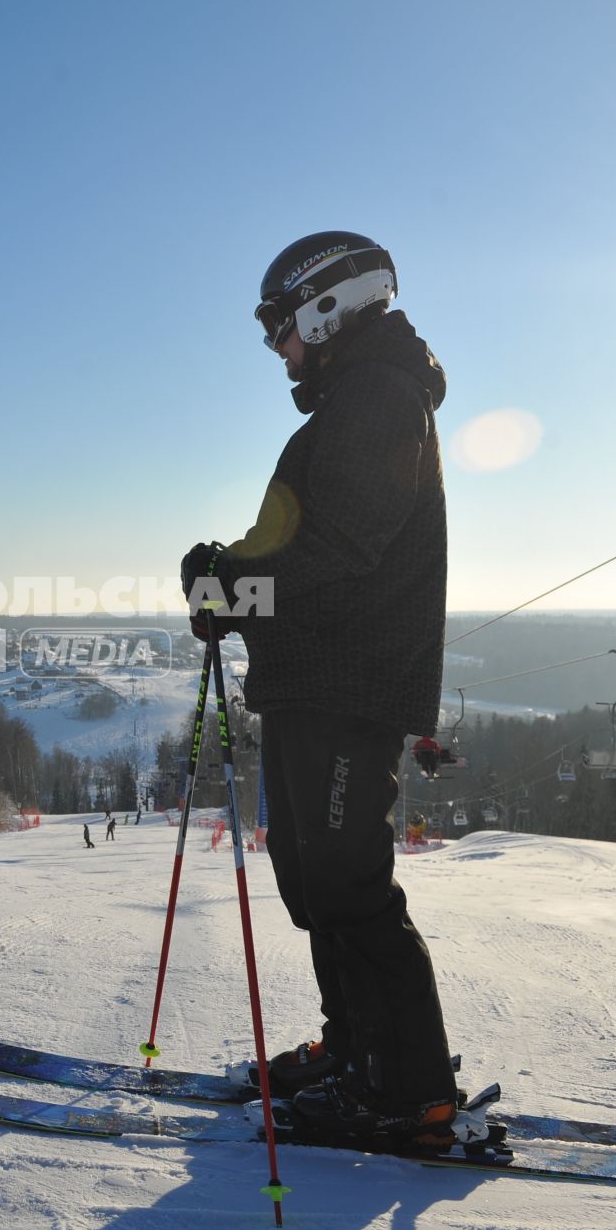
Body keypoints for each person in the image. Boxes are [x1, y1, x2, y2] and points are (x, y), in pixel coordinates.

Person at [179, 232, 460, 1150]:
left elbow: (339, 549)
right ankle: (358, 1050)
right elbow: (300, 547)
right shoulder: (351, 404)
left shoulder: (381, 396)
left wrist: (235, 587)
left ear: (327, 305)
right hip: (316, 677)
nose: (281, 352)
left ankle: (410, 1090)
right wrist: (227, 581)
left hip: (352, 681)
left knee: (348, 883)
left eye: (280, 331)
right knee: (315, 882)